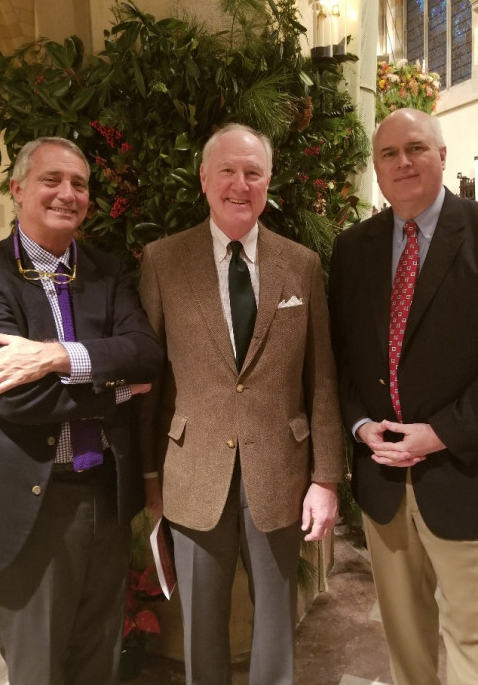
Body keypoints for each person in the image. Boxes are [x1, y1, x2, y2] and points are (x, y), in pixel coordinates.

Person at [138, 123, 343, 685]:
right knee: (202, 629)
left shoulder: (300, 263)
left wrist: (326, 478)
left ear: (268, 181)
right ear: (204, 179)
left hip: (280, 472)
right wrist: (149, 475)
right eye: (227, 170)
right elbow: (149, 381)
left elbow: (321, 378)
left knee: (276, 626)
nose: (240, 183)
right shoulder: (161, 261)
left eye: (253, 172)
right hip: (192, 471)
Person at [0, 137, 163, 685]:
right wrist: (115, 388)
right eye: (52, 180)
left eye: (79, 184)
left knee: (98, 659)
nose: (67, 194)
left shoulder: (109, 271)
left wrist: (54, 357)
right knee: (39, 667)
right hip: (27, 499)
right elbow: (14, 399)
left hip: (102, 495)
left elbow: (144, 353)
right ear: (19, 188)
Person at [328, 108, 478, 685]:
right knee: (405, 648)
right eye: (388, 154)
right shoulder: (353, 248)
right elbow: (343, 359)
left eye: (415, 149)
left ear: (442, 155)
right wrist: (360, 426)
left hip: (470, 476)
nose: (402, 162)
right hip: (384, 486)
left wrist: (440, 434)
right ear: (376, 169)